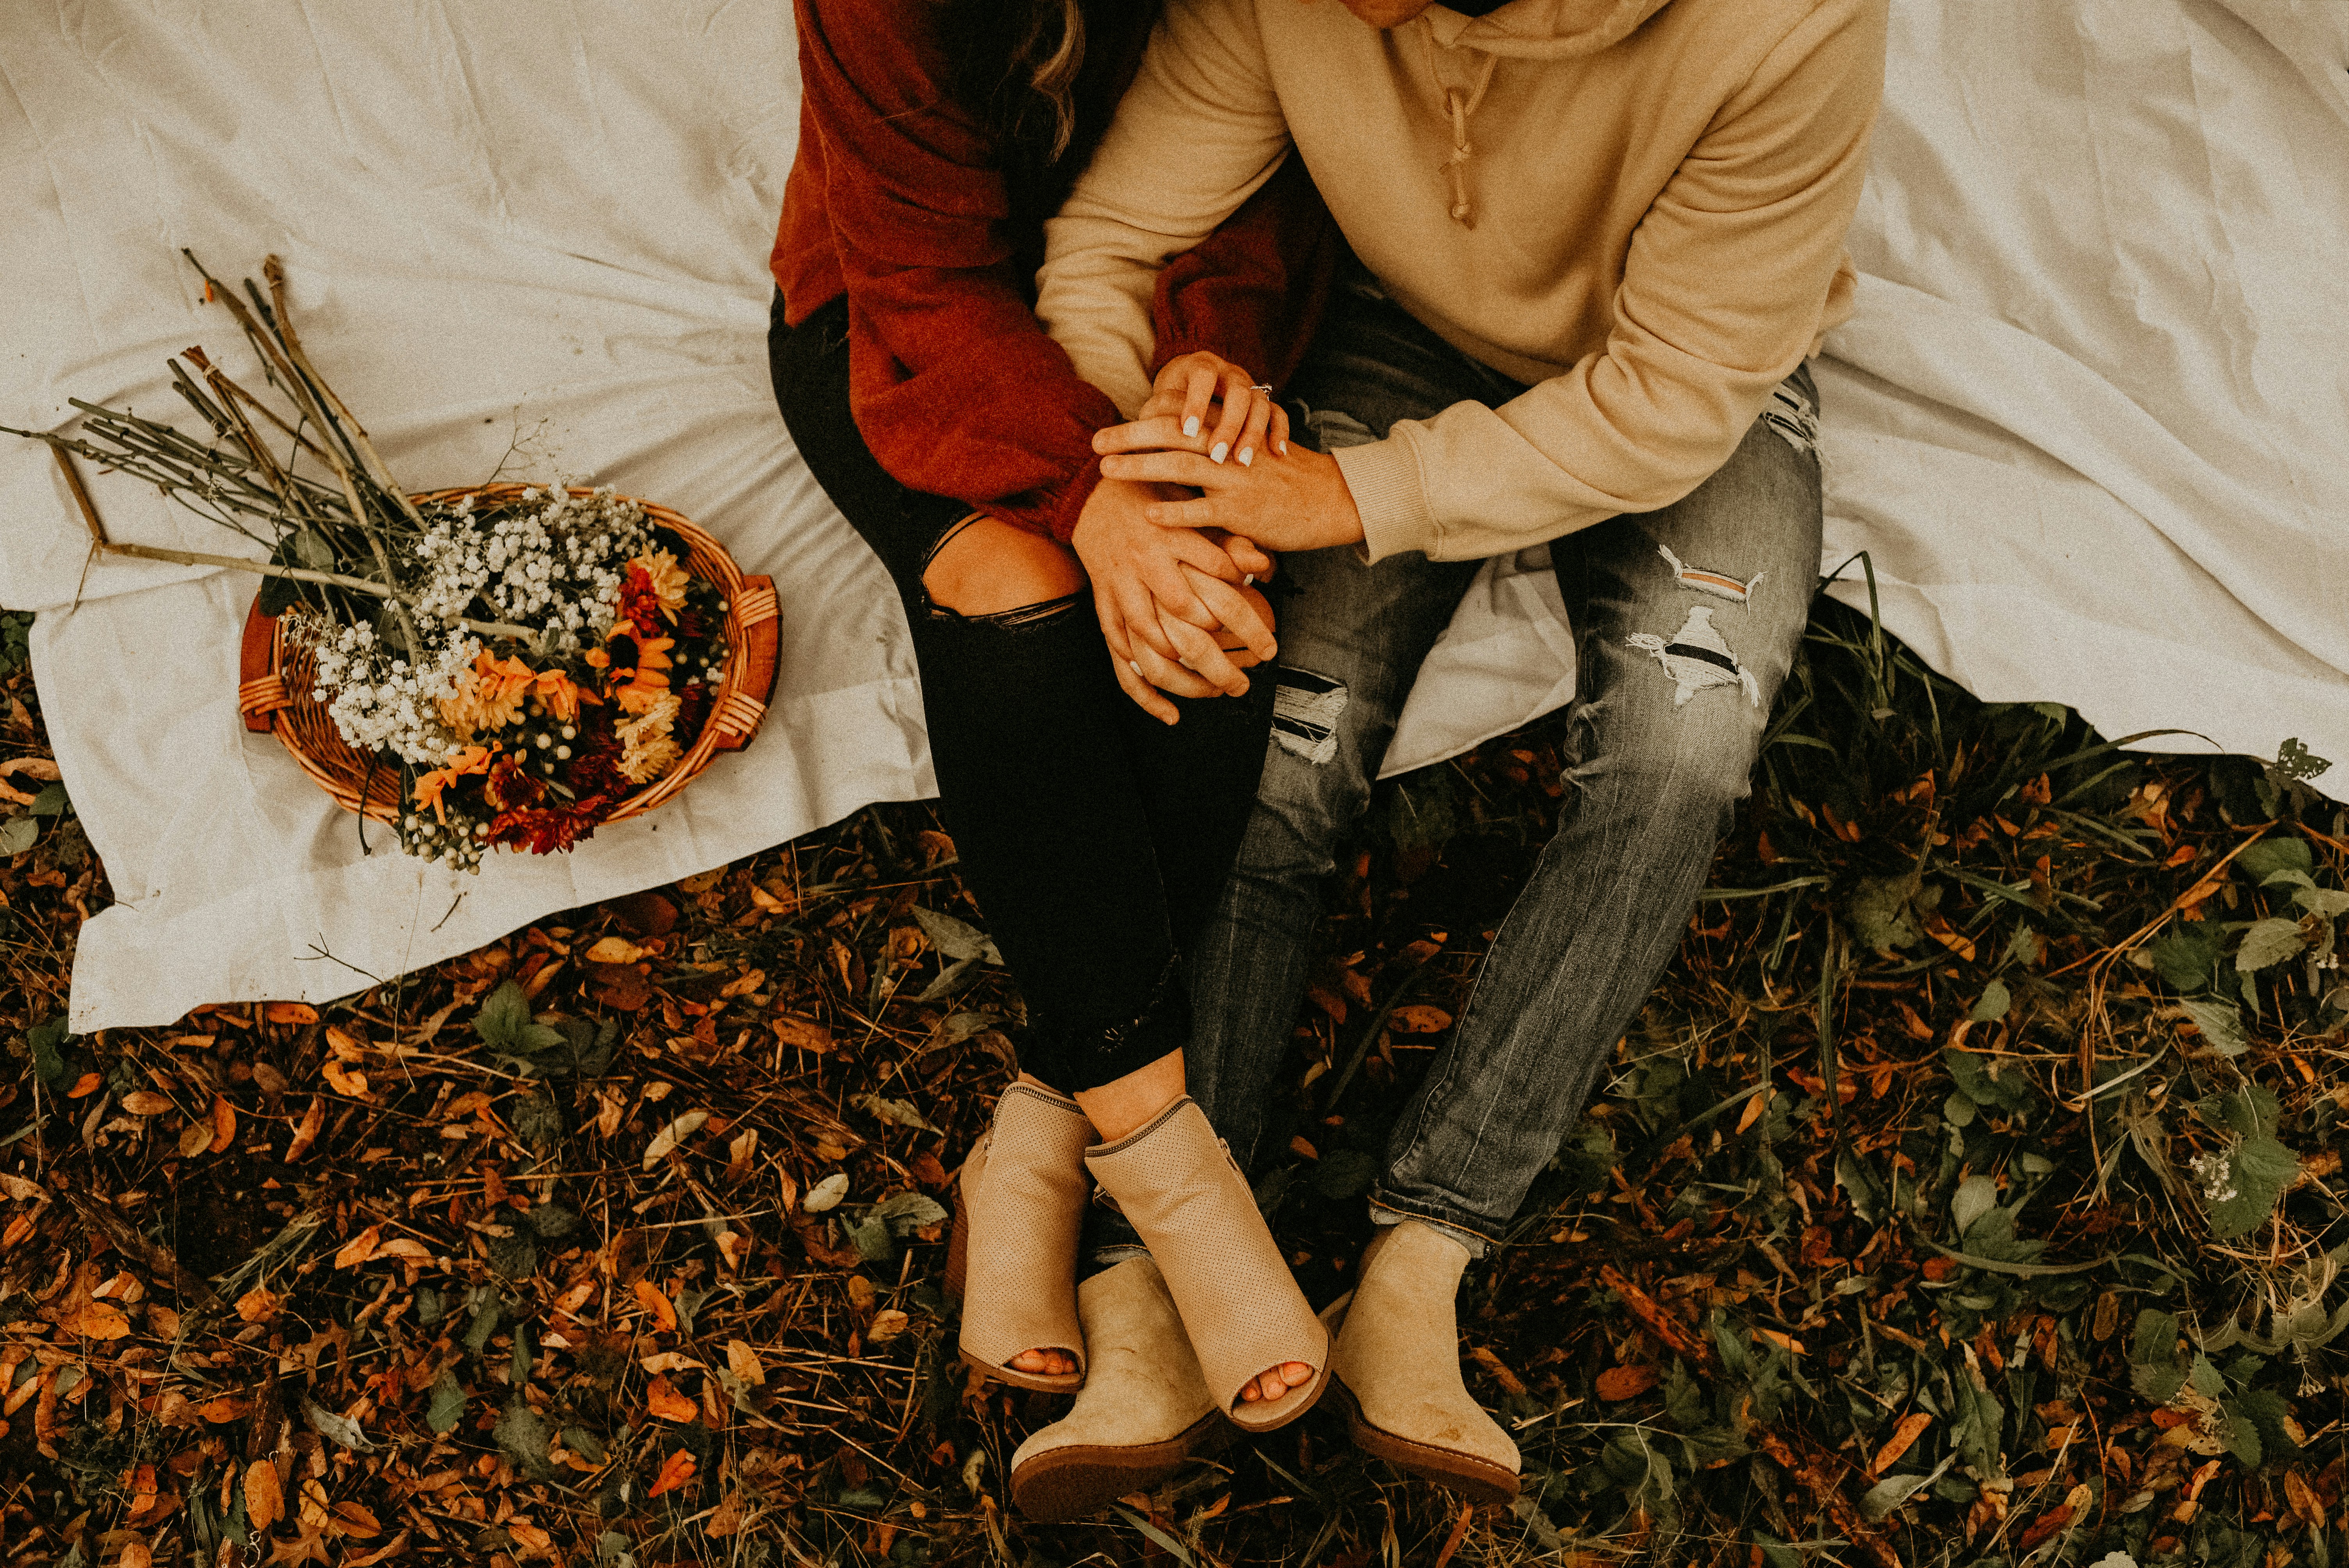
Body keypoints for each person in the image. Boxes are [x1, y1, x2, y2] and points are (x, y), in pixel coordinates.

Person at [1036, 0, 1887, 1502]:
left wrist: (1354, 499)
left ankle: (1421, 1266)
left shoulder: (1792, 22)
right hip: (1395, 329)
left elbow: (1673, 400)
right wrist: (1141, 498)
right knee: (1274, 740)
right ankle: (1158, 1284)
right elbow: (1109, 238)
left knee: (1681, 754)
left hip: (1684, 384)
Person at [763, 0, 1346, 1521]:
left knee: (1203, 593)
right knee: (1007, 585)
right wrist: (1088, 495)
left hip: (1160, 293)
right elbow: (912, 267)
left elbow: (1274, 150)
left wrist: (1208, 356)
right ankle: (1167, 1161)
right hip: (900, 318)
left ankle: (1035, 1130)